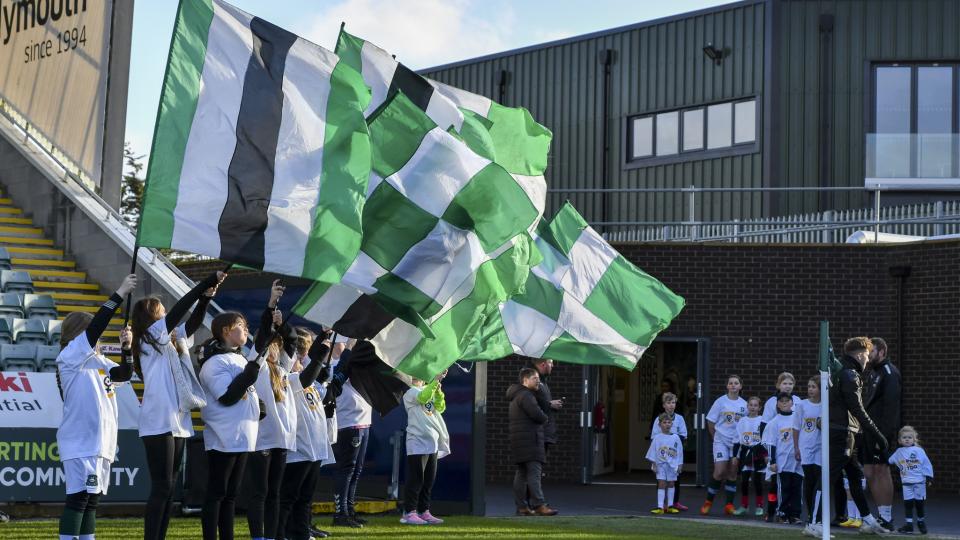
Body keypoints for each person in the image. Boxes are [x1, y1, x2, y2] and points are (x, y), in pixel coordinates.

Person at [130, 270, 225, 540]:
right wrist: (203, 284)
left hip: (177, 418)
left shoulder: (168, 339)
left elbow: (192, 324)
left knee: (170, 488)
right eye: (160, 311)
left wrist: (206, 298)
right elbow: (181, 310)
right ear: (151, 316)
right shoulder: (148, 339)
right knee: (161, 486)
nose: (165, 314)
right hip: (158, 420)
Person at [56, 275, 137, 540]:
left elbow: (124, 374)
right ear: (78, 333)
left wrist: (127, 349)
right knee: (78, 499)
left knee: (92, 501)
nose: (98, 337)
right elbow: (95, 330)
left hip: (102, 442)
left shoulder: (100, 361)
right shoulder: (69, 357)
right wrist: (120, 293)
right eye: (91, 332)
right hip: (81, 442)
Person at [806, 337, 888, 537]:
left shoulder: (841, 371)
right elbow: (857, 408)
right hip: (841, 432)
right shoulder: (850, 375)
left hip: (845, 432)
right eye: (867, 355)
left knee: (855, 476)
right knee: (828, 477)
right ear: (860, 354)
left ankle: (868, 521)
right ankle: (813, 523)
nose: (868, 360)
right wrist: (878, 436)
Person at [198, 312, 263, 540]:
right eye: (241, 326)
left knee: (231, 496)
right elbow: (227, 396)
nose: (246, 330)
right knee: (217, 493)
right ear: (226, 330)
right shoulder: (214, 362)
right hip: (223, 437)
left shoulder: (240, 358)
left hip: (243, 436)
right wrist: (250, 373)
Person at [247, 282, 299, 540]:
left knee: (275, 493)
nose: (275, 348)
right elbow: (262, 339)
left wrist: (283, 325)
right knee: (260, 492)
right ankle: (258, 535)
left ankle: (274, 535)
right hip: (262, 439)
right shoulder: (256, 365)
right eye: (272, 345)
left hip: (282, 438)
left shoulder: (284, 369)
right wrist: (271, 305)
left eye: (276, 345)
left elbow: (292, 340)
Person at [277, 330, 335, 540]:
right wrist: (320, 355)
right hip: (299, 450)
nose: (302, 359)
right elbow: (308, 374)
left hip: (314, 449)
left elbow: (320, 388)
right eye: (299, 357)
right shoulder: (290, 379)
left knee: (305, 497)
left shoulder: (306, 381)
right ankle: (280, 533)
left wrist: (322, 340)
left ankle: (301, 533)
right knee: (289, 496)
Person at [328, 341, 374, 528]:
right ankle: (340, 514)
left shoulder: (356, 366)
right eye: (342, 343)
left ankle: (349, 510)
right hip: (348, 423)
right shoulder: (333, 367)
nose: (345, 346)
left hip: (364, 422)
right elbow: (340, 374)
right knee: (346, 469)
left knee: (356, 470)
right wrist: (348, 349)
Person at [400, 370, 451, 525]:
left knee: (428, 480)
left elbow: (440, 407)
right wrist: (435, 382)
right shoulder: (409, 392)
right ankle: (409, 512)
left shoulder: (427, 389)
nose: (417, 376)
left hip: (432, 442)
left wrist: (439, 391)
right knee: (416, 479)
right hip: (417, 442)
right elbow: (423, 397)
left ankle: (424, 511)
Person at [507, 368, 557, 516]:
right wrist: (546, 414)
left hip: (520, 441)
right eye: (535, 378)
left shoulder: (516, 395)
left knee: (521, 473)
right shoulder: (526, 396)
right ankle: (540, 504)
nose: (538, 381)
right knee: (534, 473)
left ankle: (522, 506)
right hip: (531, 440)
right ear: (525, 380)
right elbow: (539, 415)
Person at [863, 337, 901, 531]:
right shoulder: (872, 372)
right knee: (868, 472)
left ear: (882, 352)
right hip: (868, 430)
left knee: (881, 470)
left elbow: (891, 407)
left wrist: (883, 436)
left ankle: (886, 518)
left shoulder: (889, 372)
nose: (869, 356)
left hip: (881, 432)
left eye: (872, 352)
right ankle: (879, 517)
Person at [700, 374, 747, 516]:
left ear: (740, 386)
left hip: (736, 443)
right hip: (721, 440)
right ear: (727, 386)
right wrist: (715, 437)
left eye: (736, 383)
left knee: (732, 473)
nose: (733, 385)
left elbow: (746, 424)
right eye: (730, 383)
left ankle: (729, 505)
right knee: (719, 472)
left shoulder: (744, 404)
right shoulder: (720, 402)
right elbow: (710, 421)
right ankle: (708, 503)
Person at [760, 372, 802, 518]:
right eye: (784, 383)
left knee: (792, 485)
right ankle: (772, 511)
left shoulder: (798, 401)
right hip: (777, 448)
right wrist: (766, 454)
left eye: (790, 383)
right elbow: (764, 427)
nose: (787, 386)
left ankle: (790, 512)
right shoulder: (771, 402)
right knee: (775, 485)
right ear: (778, 385)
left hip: (792, 450)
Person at [888, 426, 933, 535]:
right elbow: (890, 460)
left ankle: (921, 522)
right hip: (906, 483)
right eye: (904, 437)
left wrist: (929, 477)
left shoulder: (919, 451)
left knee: (919, 504)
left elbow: (926, 464)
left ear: (914, 439)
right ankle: (909, 525)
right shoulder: (899, 452)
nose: (907, 439)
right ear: (899, 440)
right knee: (908, 504)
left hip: (919, 482)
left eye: (909, 437)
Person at [649, 392, 688, 511]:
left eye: (673, 403)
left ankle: (674, 502)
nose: (671, 405)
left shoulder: (680, 418)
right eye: (668, 403)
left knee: (675, 479)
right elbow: (654, 437)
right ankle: (662, 504)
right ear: (663, 405)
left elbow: (683, 435)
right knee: (661, 479)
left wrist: (672, 439)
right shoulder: (658, 419)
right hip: (661, 455)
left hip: (673, 453)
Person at [794, 376, 823, 532]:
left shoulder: (826, 405)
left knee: (819, 480)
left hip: (820, 447)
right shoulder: (802, 405)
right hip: (806, 447)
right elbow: (796, 427)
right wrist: (796, 448)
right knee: (809, 481)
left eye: (814, 386)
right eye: (809, 386)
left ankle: (817, 516)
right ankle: (812, 514)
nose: (811, 389)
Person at [731, 396, 765, 517]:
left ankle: (759, 506)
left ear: (760, 407)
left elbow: (766, 440)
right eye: (751, 405)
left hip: (758, 453)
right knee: (744, 481)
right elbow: (737, 440)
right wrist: (735, 456)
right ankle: (744, 506)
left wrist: (766, 455)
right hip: (746, 453)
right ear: (747, 406)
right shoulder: (742, 421)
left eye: (756, 405)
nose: (753, 407)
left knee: (757, 481)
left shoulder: (762, 420)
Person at [646, 413, 683, 515]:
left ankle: (670, 506)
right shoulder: (657, 438)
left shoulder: (676, 437)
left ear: (672, 424)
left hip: (672, 465)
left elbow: (680, 452)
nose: (667, 424)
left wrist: (680, 464)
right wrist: (653, 464)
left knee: (671, 483)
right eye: (664, 422)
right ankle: (660, 507)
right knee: (661, 483)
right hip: (661, 465)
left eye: (669, 422)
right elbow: (652, 451)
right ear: (660, 425)